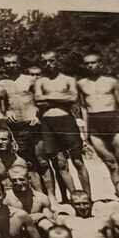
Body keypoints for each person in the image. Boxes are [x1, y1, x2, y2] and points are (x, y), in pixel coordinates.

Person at [33, 50, 92, 201]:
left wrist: (48, 98)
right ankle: (74, 197)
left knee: (77, 161)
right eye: (45, 62)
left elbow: (73, 98)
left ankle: (88, 197)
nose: (48, 64)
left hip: (66, 120)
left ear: (57, 61)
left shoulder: (68, 79)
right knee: (60, 163)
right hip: (47, 122)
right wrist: (61, 98)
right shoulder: (40, 81)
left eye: (51, 61)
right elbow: (38, 100)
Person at [0, 55, 50, 192]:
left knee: (43, 162)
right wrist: (7, 113)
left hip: (33, 123)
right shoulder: (1, 83)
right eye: (8, 63)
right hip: (17, 127)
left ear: (19, 63)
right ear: (4, 65)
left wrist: (37, 114)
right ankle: (39, 194)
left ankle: (52, 196)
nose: (11, 65)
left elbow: (42, 101)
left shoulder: (30, 80)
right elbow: (1, 107)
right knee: (28, 163)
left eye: (13, 62)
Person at [77, 53, 119, 175]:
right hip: (94, 122)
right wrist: (85, 132)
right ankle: (118, 187)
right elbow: (83, 108)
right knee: (110, 164)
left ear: (100, 64)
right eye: (87, 63)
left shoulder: (112, 82)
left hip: (112, 120)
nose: (90, 66)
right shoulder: (81, 84)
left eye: (93, 62)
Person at [3, 162, 55, 232]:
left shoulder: (41, 198)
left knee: (45, 223)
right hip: (16, 231)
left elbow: (50, 218)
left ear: (29, 178)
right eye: (14, 180)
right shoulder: (6, 198)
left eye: (21, 179)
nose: (18, 183)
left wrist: (42, 215)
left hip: (37, 230)